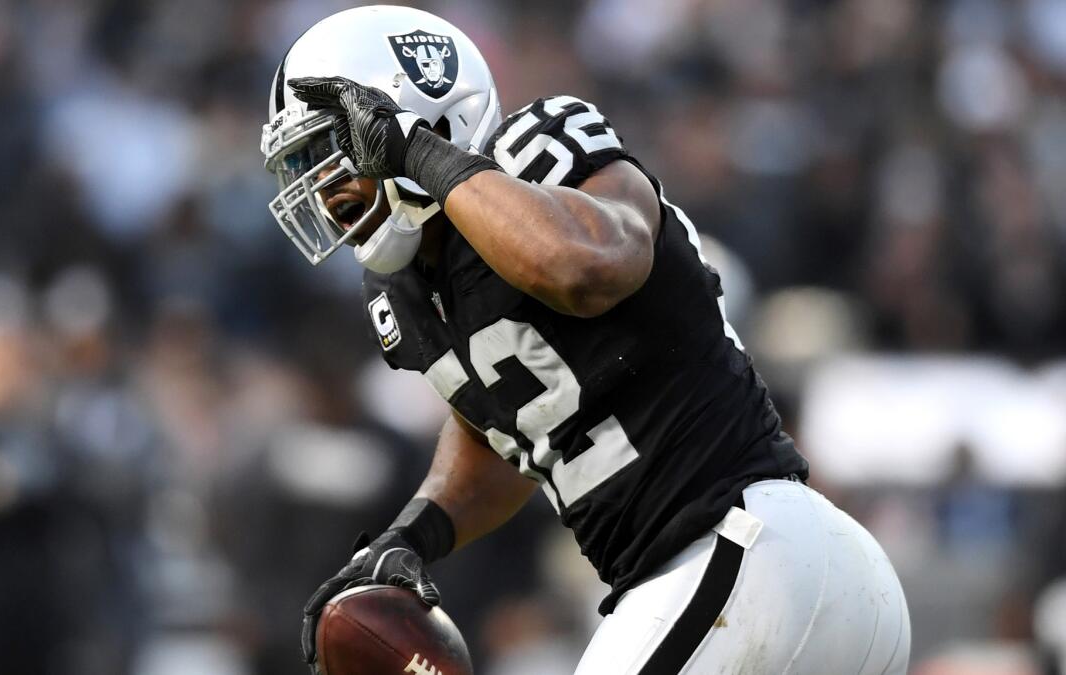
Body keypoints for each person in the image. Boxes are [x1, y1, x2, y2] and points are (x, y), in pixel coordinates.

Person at [260, 6, 910, 674]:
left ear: (414, 111)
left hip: (741, 547)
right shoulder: (402, 293)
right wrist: (412, 536)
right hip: (739, 583)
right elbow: (506, 425)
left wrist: (414, 154)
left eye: (330, 146)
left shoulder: (538, 148)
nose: (318, 181)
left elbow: (589, 265)